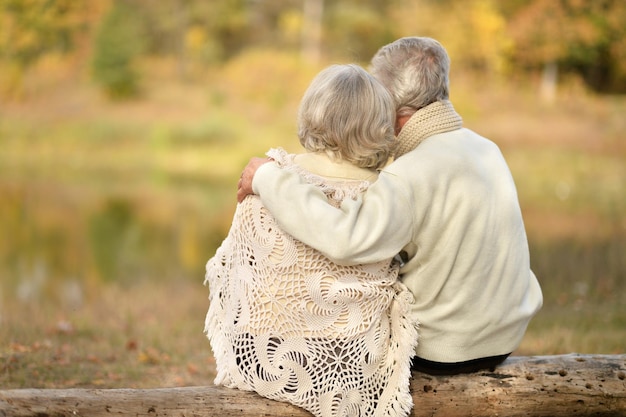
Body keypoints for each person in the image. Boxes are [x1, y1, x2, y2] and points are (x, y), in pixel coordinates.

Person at [237, 37, 543, 375]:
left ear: (392, 107)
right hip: (503, 337)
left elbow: (346, 239)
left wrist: (268, 178)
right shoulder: (486, 149)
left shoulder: (410, 173)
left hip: (446, 349)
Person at [205, 64, 419, 417]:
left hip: (263, 354)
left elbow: (238, 273)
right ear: (380, 126)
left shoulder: (270, 176)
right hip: (355, 359)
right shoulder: (386, 194)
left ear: (313, 113)